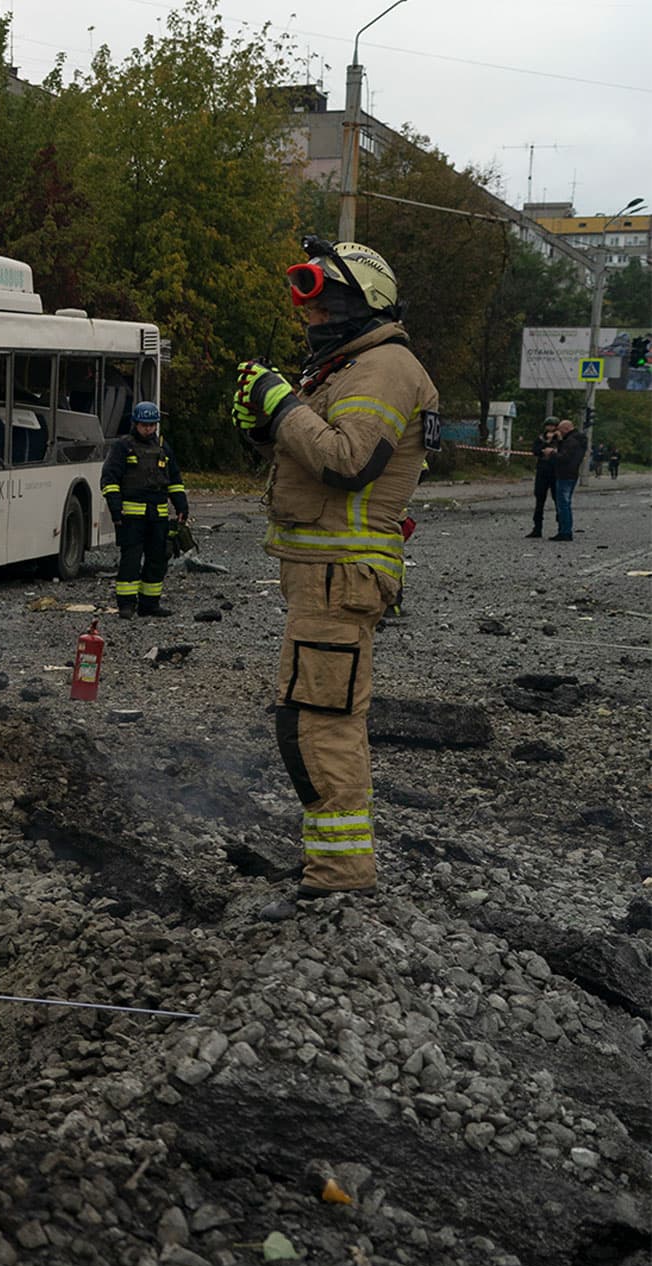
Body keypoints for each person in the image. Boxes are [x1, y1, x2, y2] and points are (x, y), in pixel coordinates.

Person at [232, 236, 439, 907]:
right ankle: (332, 868)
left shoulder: (383, 368)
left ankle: (340, 879)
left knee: (322, 724)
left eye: (322, 305)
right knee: (307, 720)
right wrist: (264, 424)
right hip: (322, 572)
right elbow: (306, 456)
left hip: (341, 575)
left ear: (359, 302)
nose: (310, 320)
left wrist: (282, 406)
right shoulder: (349, 369)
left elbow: (349, 462)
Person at [100, 401, 185, 616]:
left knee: (157, 560)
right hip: (131, 516)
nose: (149, 429)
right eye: (144, 425)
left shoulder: (163, 447)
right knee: (130, 560)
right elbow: (109, 479)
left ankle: (150, 604)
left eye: (152, 425)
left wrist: (181, 504)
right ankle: (126, 605)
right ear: (135, 424)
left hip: (158, 515)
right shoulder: (123, 447)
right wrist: (115, 508)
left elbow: (174, 479)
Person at [544, 418, 588, 540]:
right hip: (572, 474)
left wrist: (551, 453)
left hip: (564, 474)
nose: (559, 432)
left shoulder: (571, 441)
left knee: (563, 503)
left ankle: (565, 531)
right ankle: (565, 530)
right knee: (565, 503)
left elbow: (564, 458)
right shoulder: (578, 439)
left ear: (566, 428)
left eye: (560, 429)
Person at [527, 420, 560, 538]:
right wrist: (546, 443)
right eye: (548, 425)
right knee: (539, 499)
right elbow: (535, 450)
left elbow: (563, 451)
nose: (550, 428)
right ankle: (537, 527)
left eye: (553, 426)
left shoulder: (560, 439)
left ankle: (561, 527)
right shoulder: (540, 438)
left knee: (558, 500)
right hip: (542, 471)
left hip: (555, 472)